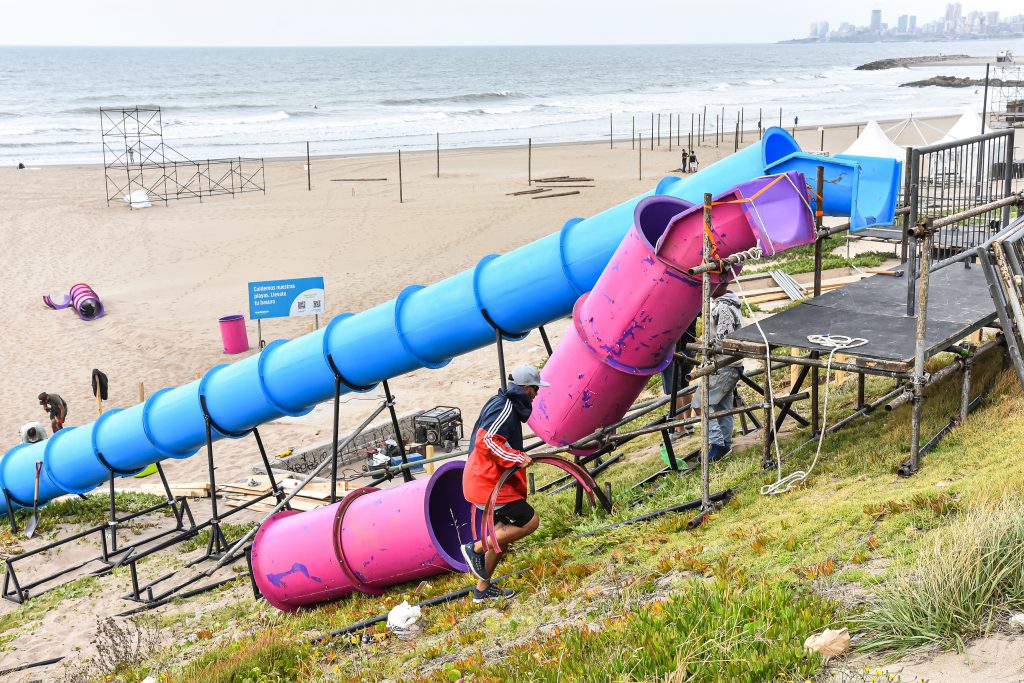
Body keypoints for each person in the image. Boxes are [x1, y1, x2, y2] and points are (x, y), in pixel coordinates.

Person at [460, 364, 548, 603]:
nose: (537, 394)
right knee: (530, 522)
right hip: (486, 483)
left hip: (485, 480)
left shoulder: (503, 403)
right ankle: (474, 549)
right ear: (526, 387)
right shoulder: (504, 407)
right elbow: (486, 441)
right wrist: (517, 457)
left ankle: (482, 589)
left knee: (500, 536)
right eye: (536, 389)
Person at [691, 281, 744, 462]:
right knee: (722, 406)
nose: (709, 286)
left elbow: (724, 342)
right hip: (729, 364)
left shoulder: (723, 308)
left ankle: (717, 444)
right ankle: (725, 443)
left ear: (723, 283)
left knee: (700, 403)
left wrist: (704, 346)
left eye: (713, 283)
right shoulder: (726, 303)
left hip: (723, 365)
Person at [660, 319, 698, 438]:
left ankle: (679, 429)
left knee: (673, 390)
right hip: (689, 345)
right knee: (684, 385)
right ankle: (688, 423)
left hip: (671, 348)